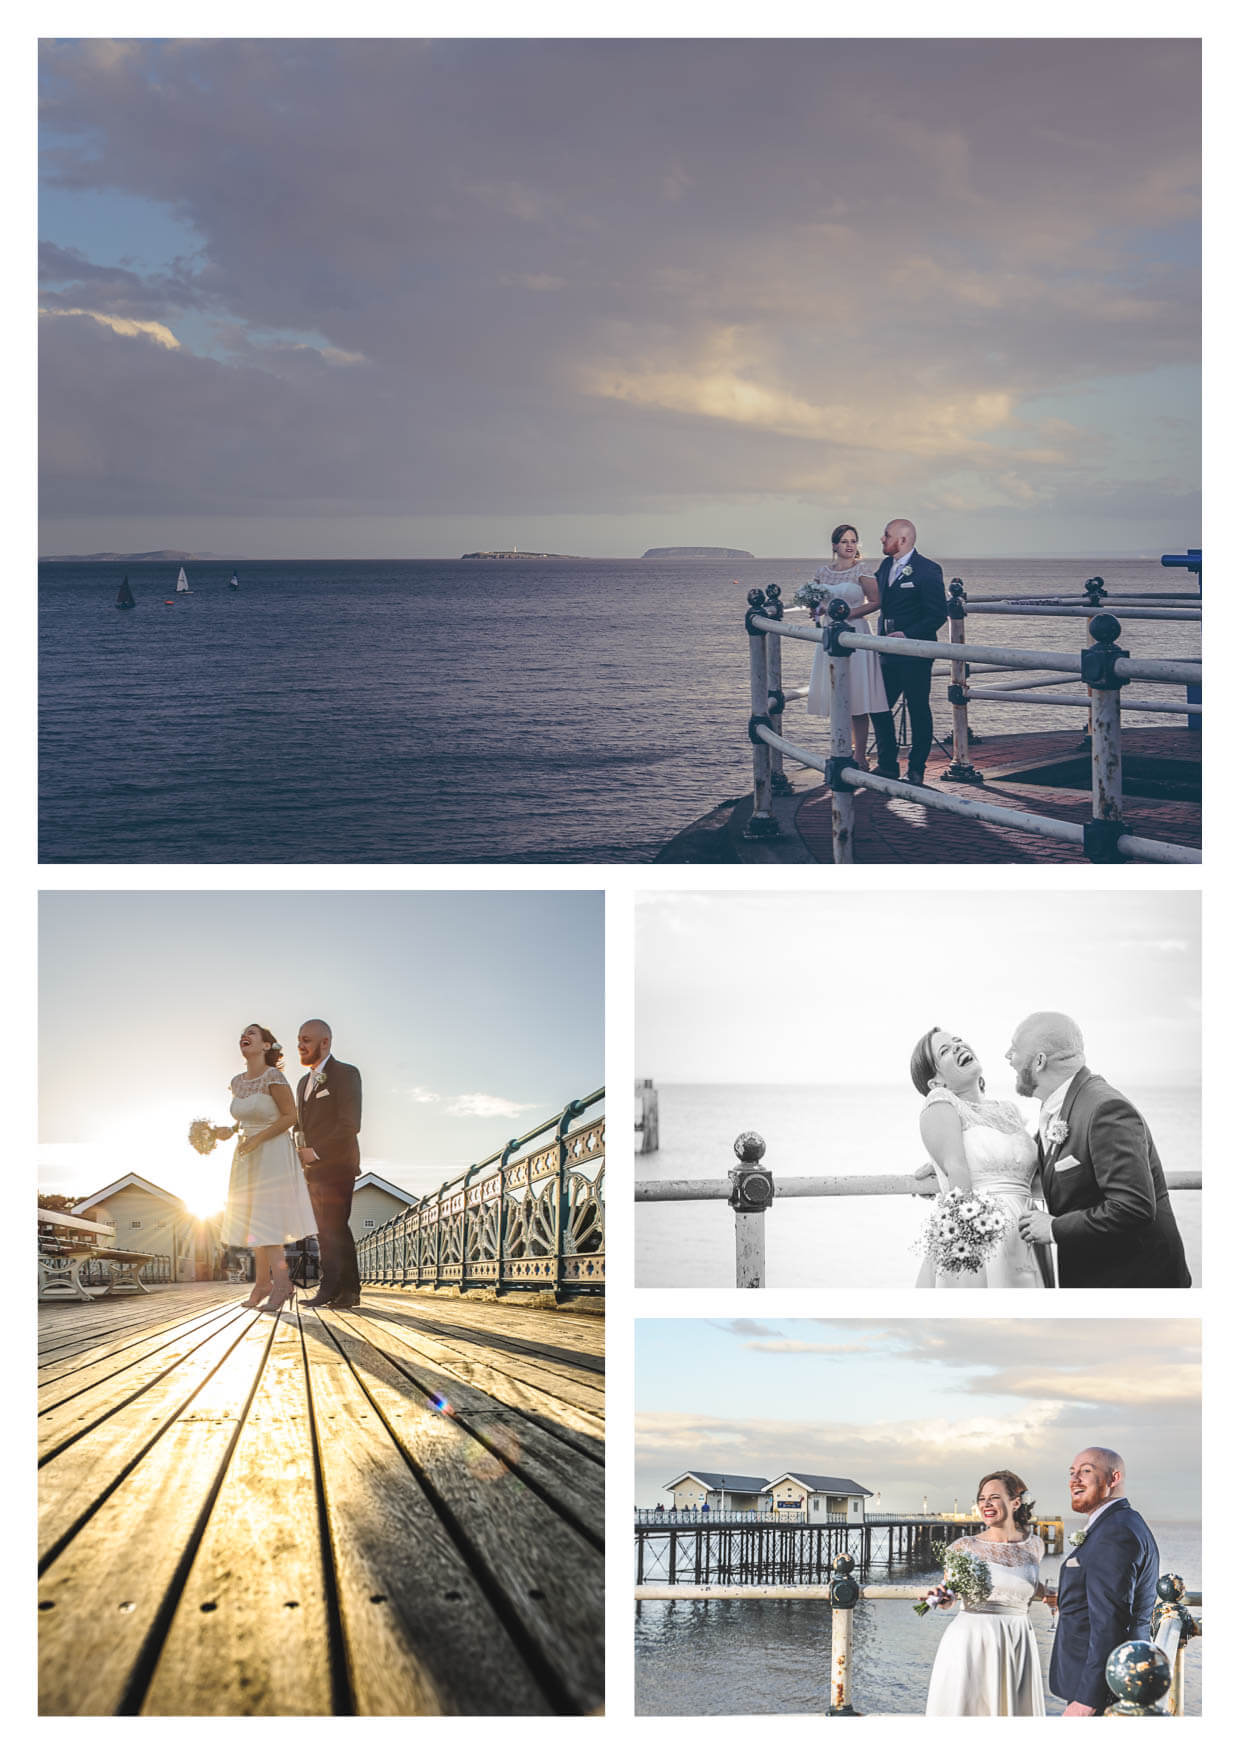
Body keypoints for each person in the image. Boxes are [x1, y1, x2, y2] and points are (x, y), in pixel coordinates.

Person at [1007, 1013, 1191, 1287]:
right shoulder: (1063, 1103)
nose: (1008, 1056)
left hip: (1134, 1280)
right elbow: (1037, 1158)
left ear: (1039, 1061)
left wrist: (1053, 1227)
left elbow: (1133, 1206)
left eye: (1015, 1048)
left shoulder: (1105, 1109)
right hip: (1096, 1273)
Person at [910, 1027, 1051, 1287]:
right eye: (945, 1050)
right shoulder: (940, 1101)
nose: (958, 1046)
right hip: (980, 1234)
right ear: (936, 1081)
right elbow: (956, 1168)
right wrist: (969, 1245)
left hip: (1026, 1229)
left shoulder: (1008, 1110)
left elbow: (1031, 1173)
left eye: (958, 1041)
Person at [924, 1469, 1051, 1715]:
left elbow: (1029, 1585)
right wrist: (941, 1598)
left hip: (1018, 1639)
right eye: (982, 1498)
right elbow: (950, 1593)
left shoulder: (1035, 1545)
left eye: (994, 1497)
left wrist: (1056, 1594)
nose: (986, 1504)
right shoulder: (963, 1547)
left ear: (1015, 1503)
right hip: (973, 1641)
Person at [1049, 1448, 1160, 1715]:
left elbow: (1111, 1621)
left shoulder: (1115, 1532)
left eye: (1086, 1471)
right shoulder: (1119, 1522)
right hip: (1110, 1682)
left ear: (1114, 1478)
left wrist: (1088, 1700)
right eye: (1072, 1472)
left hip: (1102, 1692)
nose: (1074, 1479)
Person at [219, 1024, 317, 1312]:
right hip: (246, 1154)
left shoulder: (273, 1076)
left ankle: (283, 1284)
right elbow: (244, 1118)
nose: (244, 1036)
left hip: (272, 1150)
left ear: (266, 1045)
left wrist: (258, 1138)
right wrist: (227, 1131)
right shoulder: (237, 1082)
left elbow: (290, 1117)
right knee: (253, 1219)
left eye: (252, 1033)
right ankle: (262, 1284)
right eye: (242, 1034)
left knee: (267, 1217)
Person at [869, 518, 947, 786]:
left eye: (886, 534)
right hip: (886, 651)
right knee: (878, 707)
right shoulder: (884, 566)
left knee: (918, 710)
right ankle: (888, 764)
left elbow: (937, 615)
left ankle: (916, 769)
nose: (882, 539)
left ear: (902, 539)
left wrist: (908, 634)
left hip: (916, 653)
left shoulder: (928, 570)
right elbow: (876, 599)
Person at [805, 523, 887, 769]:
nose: (850, 545)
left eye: (853, 541)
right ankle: (842, 748)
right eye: (844, 541)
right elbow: (817, 603)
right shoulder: (822, 573)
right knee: (838, 694)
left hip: (856, 634)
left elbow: (876, 602)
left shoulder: (862, 571)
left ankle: (860, 756)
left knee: (858, 695)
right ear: (834, 545)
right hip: (830, 634)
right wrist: (817, 610)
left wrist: (850, 613)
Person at [295, 1018, 363, 1309]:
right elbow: (301, 1125)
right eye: (299, 1038)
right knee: (323, 1228)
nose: (301, 1044)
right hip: (311, 1170)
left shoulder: (346, 1074)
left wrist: (318, 1151)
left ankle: (345, 1289)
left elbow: (351, 1124)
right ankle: (335, 1288)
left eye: (307, 1039)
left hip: (337, 1164)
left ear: (325, 1042)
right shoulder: (302, 1083)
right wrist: (298, 1150)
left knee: (336, 1225)